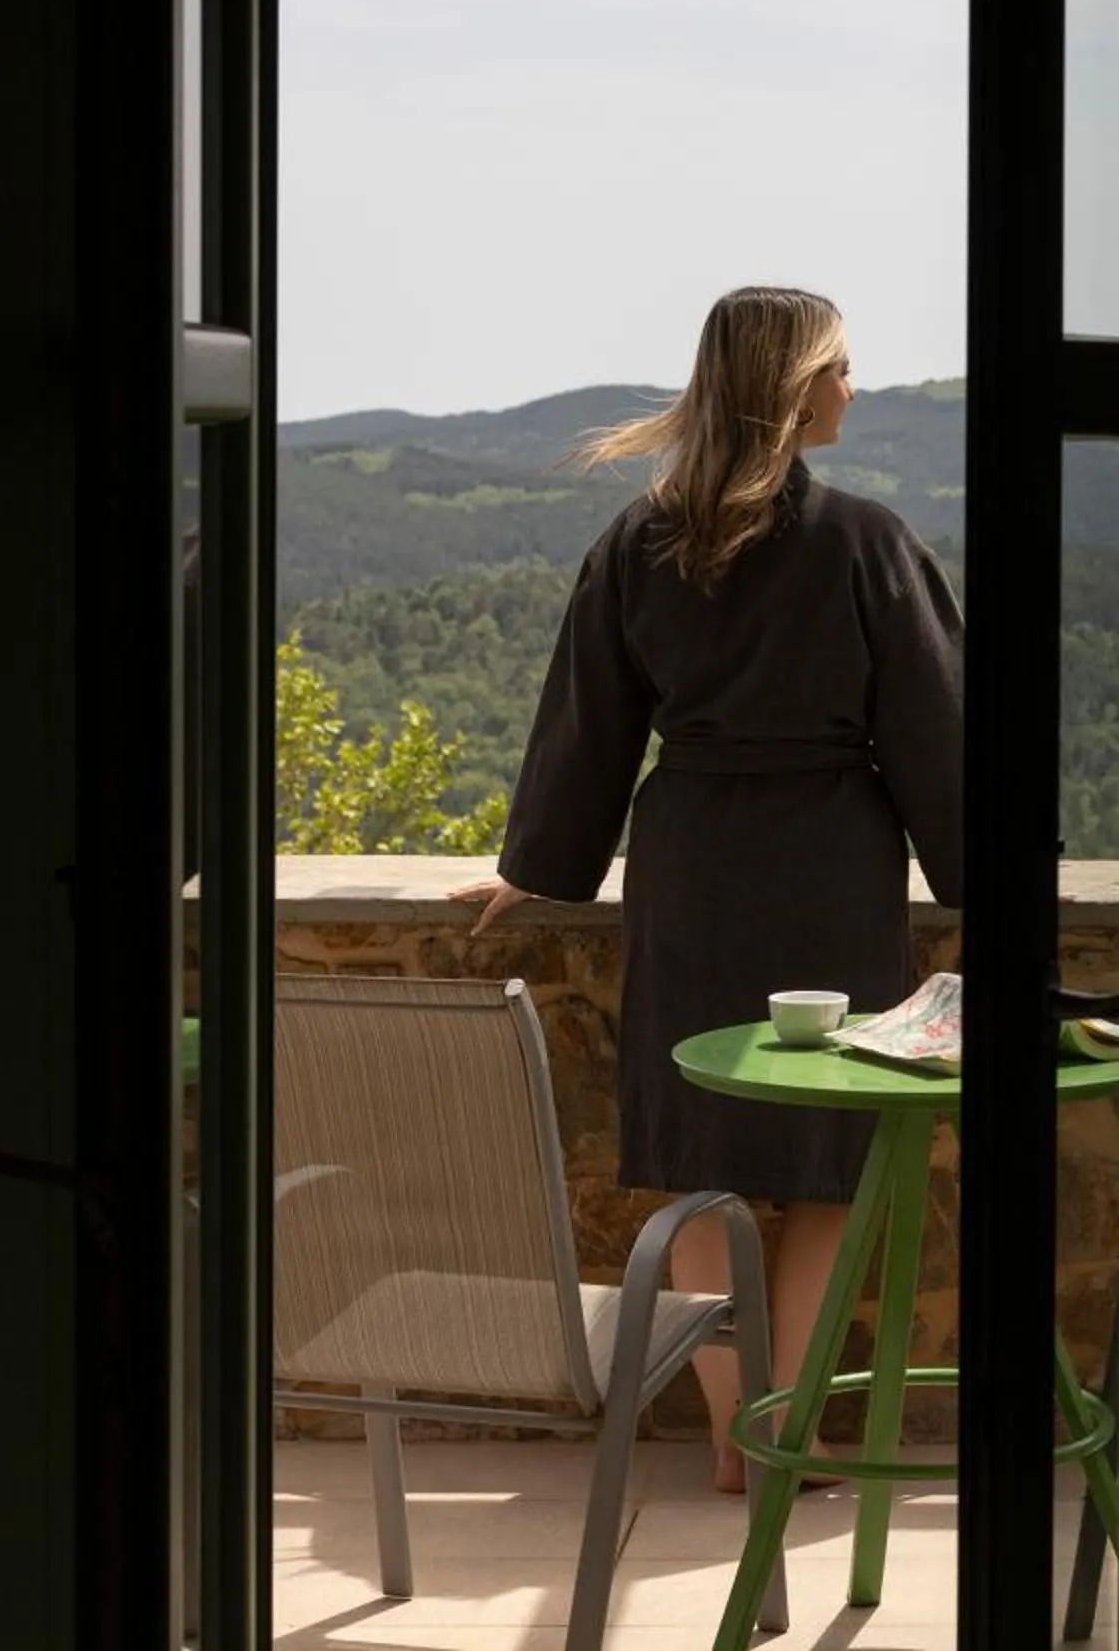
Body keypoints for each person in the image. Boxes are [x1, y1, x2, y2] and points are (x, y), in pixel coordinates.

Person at [451, 286, 962, 1494]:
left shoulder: (639, 543)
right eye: (838, 368)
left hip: (689, 867)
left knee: (705, 1159)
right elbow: (941, 736)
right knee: (831, 1160)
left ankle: (741, 1438)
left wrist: (539, 865)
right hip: (831, 865)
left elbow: (589, 726)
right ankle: (793, 1433)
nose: (854, 386)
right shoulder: (866, 540)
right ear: (793, 388)